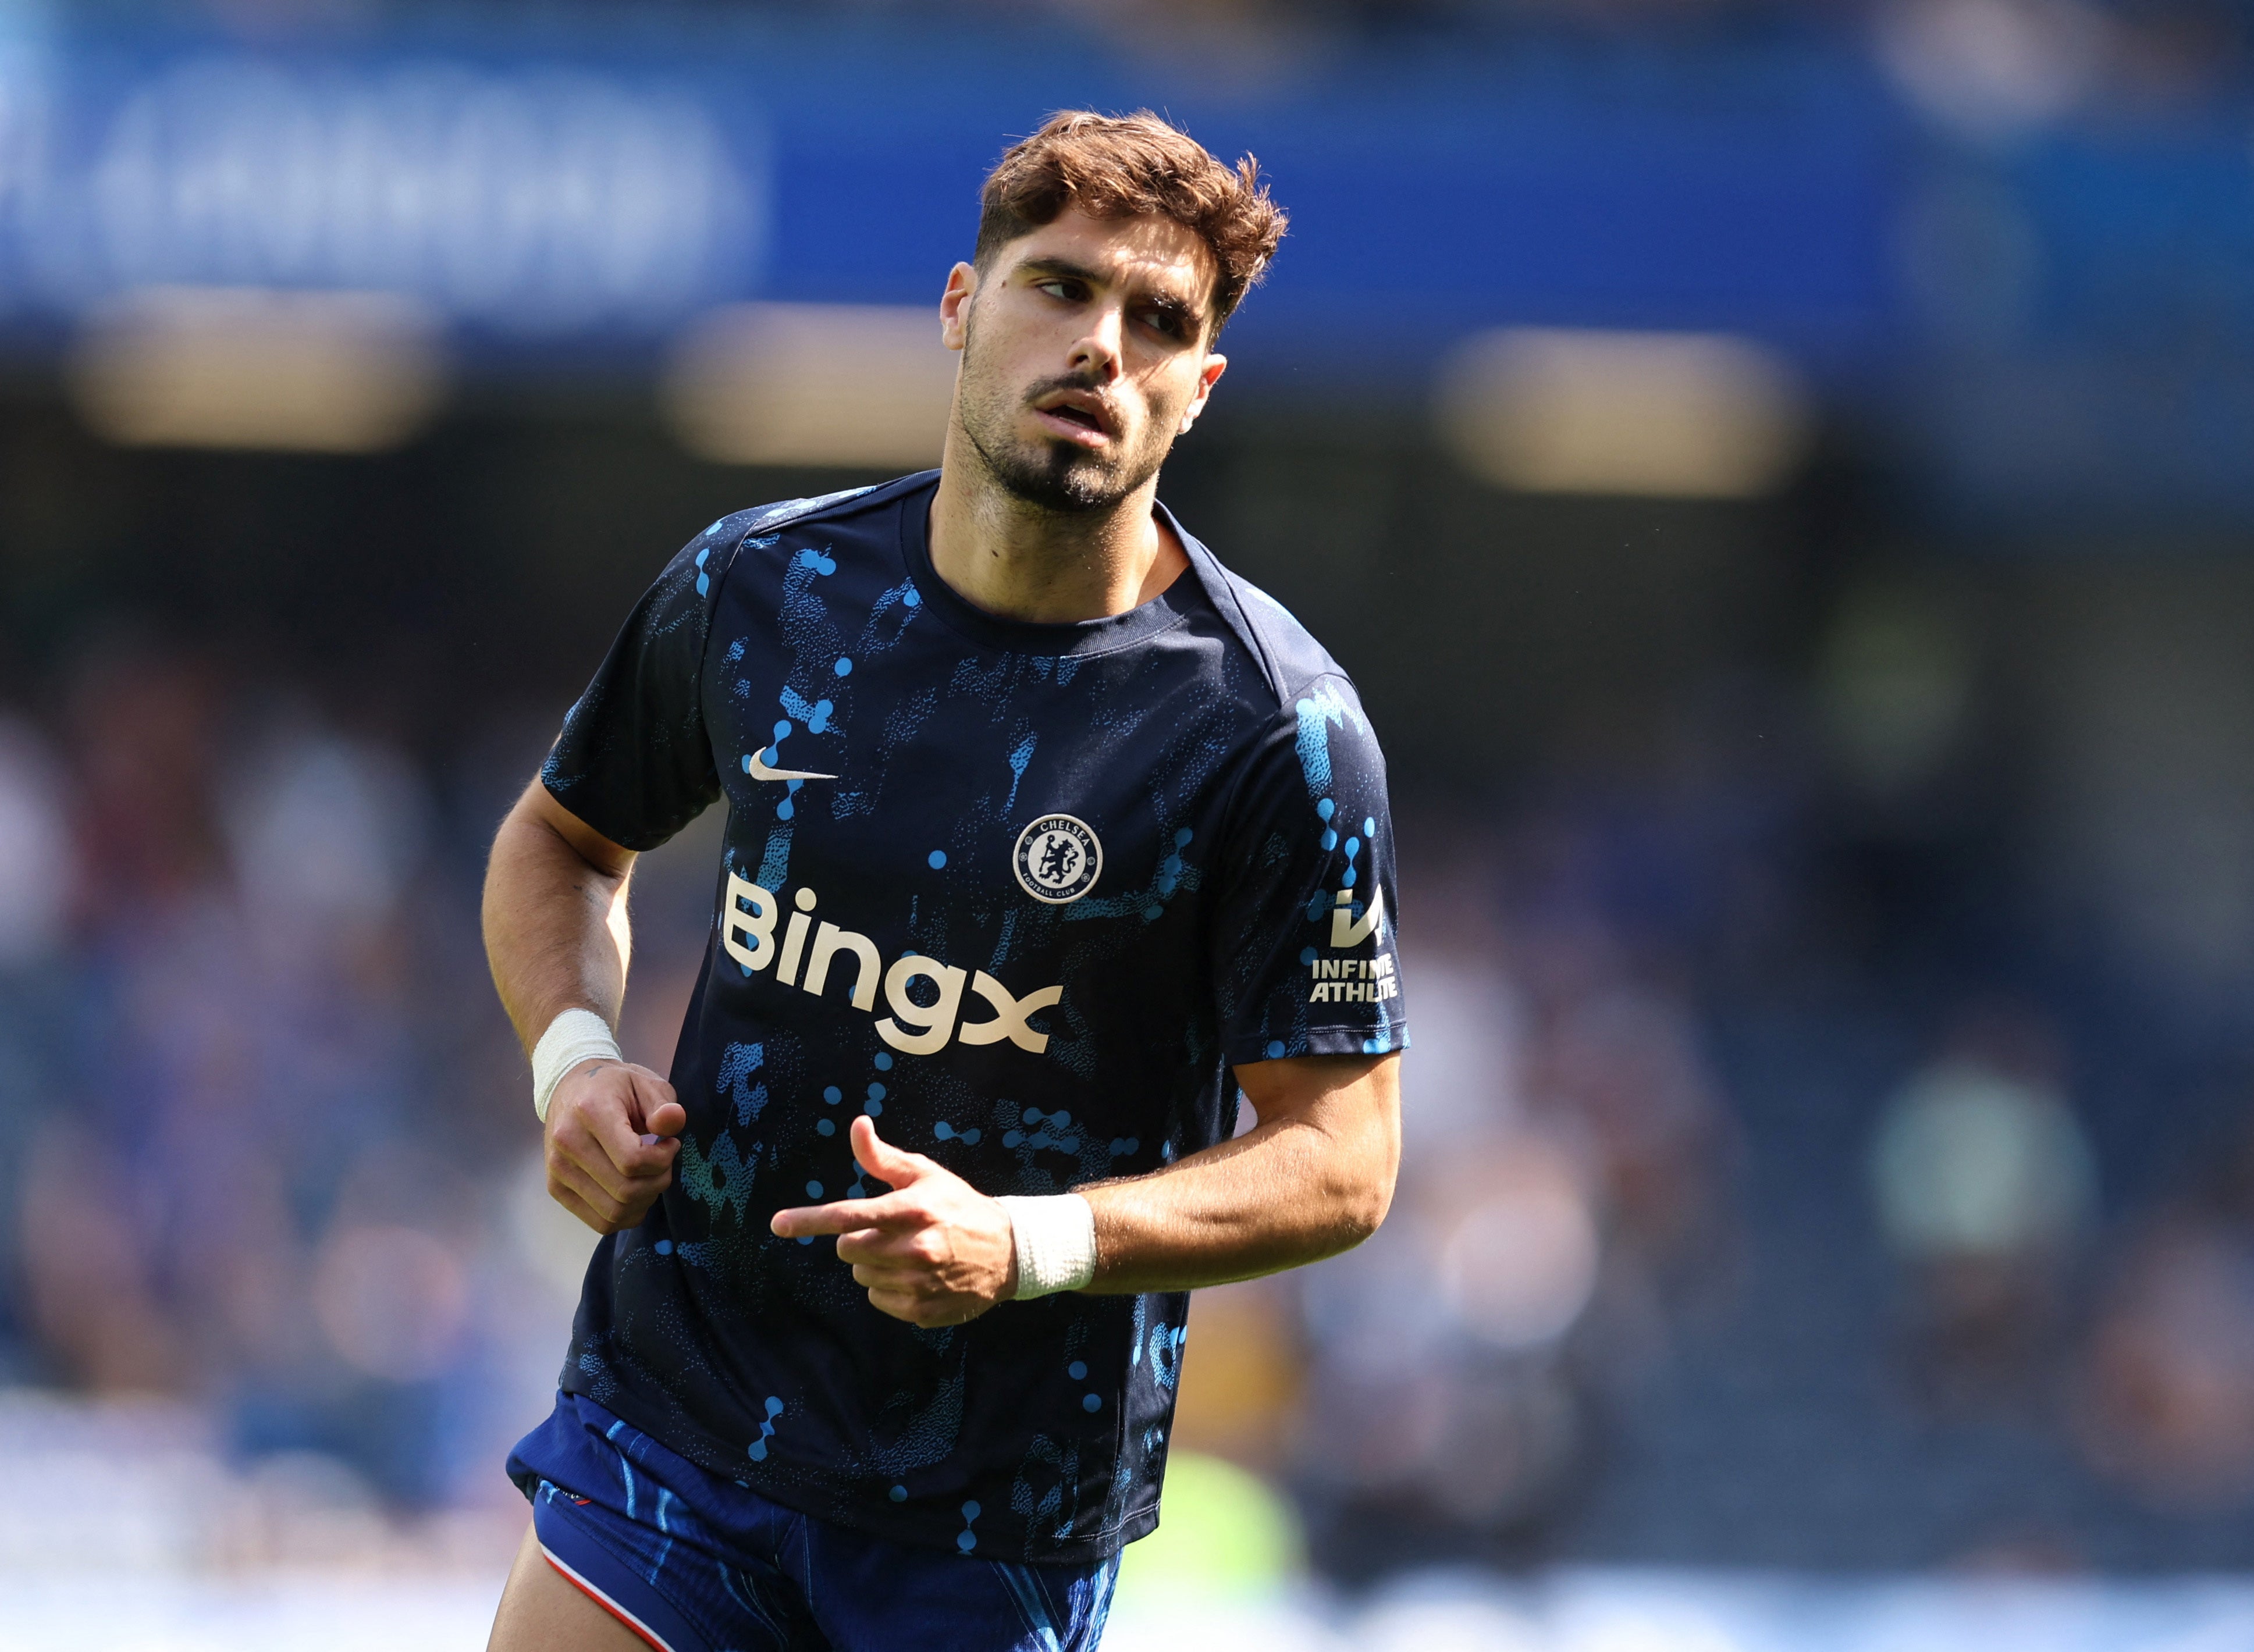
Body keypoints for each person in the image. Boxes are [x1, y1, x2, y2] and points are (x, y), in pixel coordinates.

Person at [482, 110, 1407, 1652]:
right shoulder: (756, 590)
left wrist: (1032, 1243)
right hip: (680, 1424)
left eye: (1158, 321)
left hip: (988, 1522)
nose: (1100, 347)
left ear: (1199, 388)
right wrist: (571, 1060)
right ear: (962, 306)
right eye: (1058, 289)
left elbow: (1342, 1159)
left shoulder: (1272, 733)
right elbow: (561, 842)